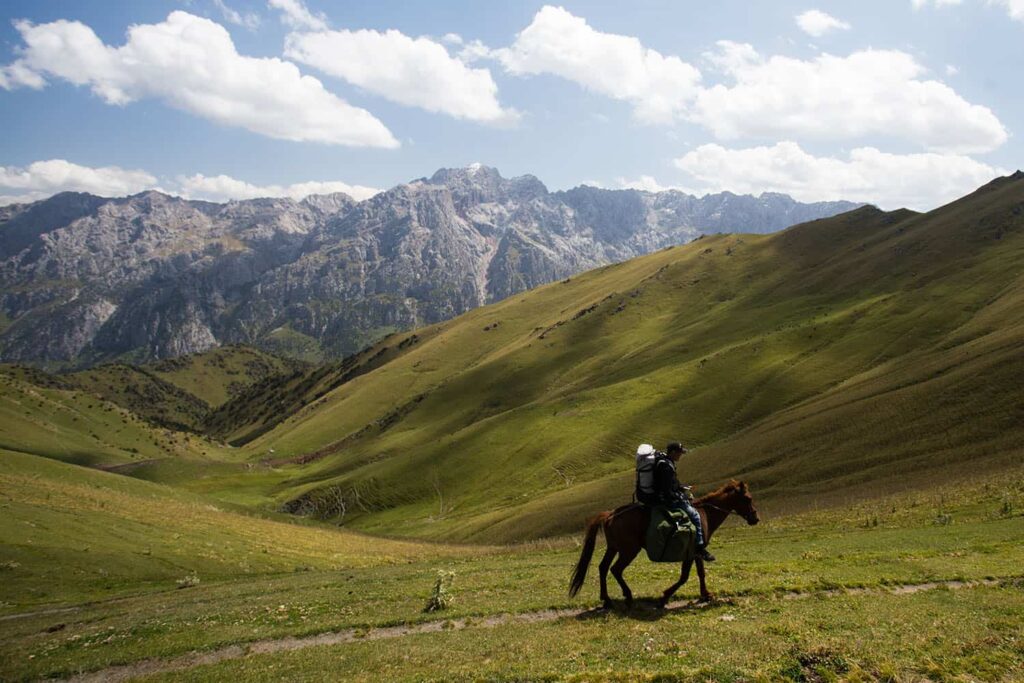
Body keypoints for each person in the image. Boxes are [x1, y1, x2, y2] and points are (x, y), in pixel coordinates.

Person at [651, 441, 715, 562]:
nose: (680, 455)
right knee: (695, 516)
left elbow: (671, 484)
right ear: (673, 452)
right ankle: (700, 547)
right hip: (668, 500)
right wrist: (682, 497)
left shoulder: (666, 462)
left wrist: (682, 488)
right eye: (679, 453)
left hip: (666, 496)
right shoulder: (666, 466)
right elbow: (666, 489)